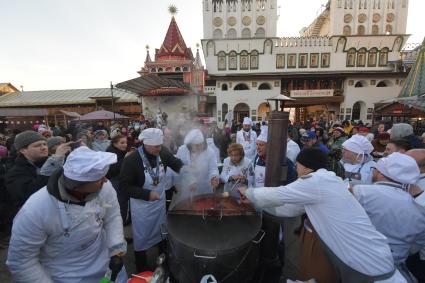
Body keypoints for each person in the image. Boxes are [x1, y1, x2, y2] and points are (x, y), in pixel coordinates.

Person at [239, 148, 405, 283]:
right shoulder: (326, 181)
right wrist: (256, 204)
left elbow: (279, 193)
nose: (296, 169)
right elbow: (290, 208)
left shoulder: (316, 181)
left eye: (297, 165)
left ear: (306, 167)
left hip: (366, 262)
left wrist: (249, 193)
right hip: (364, 255)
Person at [6, 146, 127, 283]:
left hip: (107, 267)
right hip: (65, 275)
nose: (105, 180)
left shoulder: (104, 188)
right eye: (100, 178)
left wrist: (116, 248)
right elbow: (22, 262)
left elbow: (113, 217)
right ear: (78, 185)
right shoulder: (36, 209)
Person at [119, 128, 189, 272]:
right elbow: (124, 187)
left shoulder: (162, 152)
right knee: (142, 237)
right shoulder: (132, 160)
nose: (159, 148)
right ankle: (141, 266)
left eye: (160, 145)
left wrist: (189, 173)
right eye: (156, 146)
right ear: (146, 144)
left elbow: (176, 163)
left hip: (159, 201)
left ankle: (163, 258)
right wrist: (147, 194)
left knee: (162, 231)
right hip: (142, 206)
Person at [352, 153, 425, 282]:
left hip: (361, 263)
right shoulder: (420, 208)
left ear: (381, 173)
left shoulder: (362, 192)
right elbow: (416, 245)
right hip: (394, 269)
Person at [5, 131, 71, 209]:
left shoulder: (49, 162)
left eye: (44, 144)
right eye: (37, 145)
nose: (43, 147)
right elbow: (31, 194)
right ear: (23, 150)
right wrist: (53, 164)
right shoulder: (15, 173)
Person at [176, 129, 219, 195]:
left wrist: (214, 176)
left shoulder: (210, 152)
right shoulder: (181, 150)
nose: (199, 147)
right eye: (196, 145)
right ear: (190, 144)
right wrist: (177, 183)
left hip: (204, 188)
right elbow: (177, 168)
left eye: (201, 144)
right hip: (187, 188)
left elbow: (213, 168)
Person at [106, 134, 130, 223]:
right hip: (115, 180)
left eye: (126, 142)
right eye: (122, 143)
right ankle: (122, 221)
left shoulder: (119, 151)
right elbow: (113, 170)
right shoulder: (111, 153)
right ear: (115, 144)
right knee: (121, 201)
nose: (125, 145)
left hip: (118, 180)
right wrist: (126, 158)